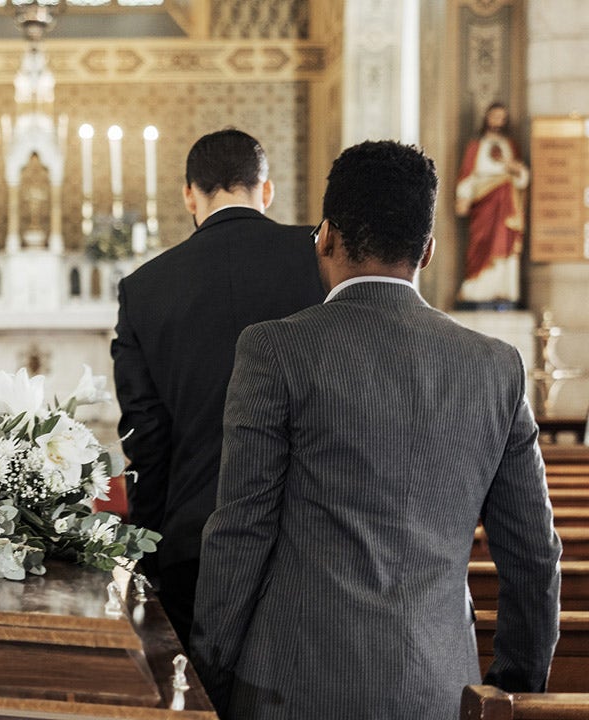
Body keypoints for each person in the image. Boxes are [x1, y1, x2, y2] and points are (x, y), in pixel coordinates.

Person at [192, 140, 562, 720]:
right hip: (439, 690)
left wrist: (208, 674)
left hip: (290, 689)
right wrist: (509, 692)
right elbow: (534, 558)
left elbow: (241, 532)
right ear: (429, 251)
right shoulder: (496, 366)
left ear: (327, 237)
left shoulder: (275, 349)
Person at [110, 128, 324, 650]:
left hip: (193, 537)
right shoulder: (320, 257)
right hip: (310, 533)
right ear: (265, 189)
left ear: (189, 194)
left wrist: (151, 548)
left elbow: (146, 437)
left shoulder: (145, 287)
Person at [455, 101, 529, 307]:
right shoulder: (476, 146)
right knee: (481, 243)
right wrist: (463, 197)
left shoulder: (511, 146)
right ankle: (476, 289)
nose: (497, 121)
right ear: (486, 118)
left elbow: (522, 178)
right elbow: (467, 175)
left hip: (506, 204)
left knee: (504, 244)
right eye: (493, 116)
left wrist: (514, 169)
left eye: (501, 117)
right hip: (483, 203)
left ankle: (504, 289)